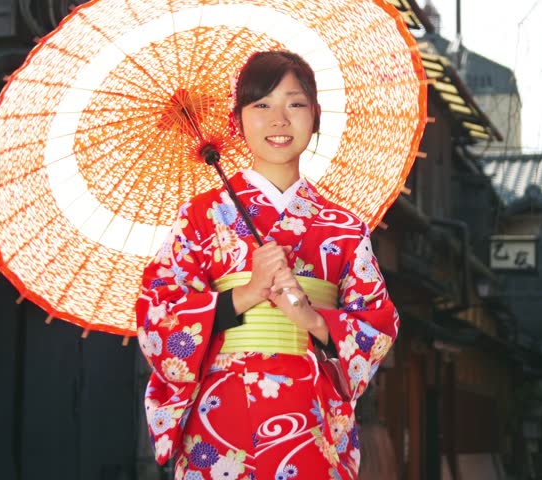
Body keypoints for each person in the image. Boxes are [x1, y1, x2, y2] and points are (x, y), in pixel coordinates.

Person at [135, 51, 399, 480]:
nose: (279, 119)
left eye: (294, 104)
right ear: (237, 120)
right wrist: (247, 292)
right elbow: (157, 317)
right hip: (220, 422)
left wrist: (312, 319)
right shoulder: (200, 216)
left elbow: (379, 325)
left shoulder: (345, 228)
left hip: (311, 421)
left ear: (315, 116)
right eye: (261, 105)